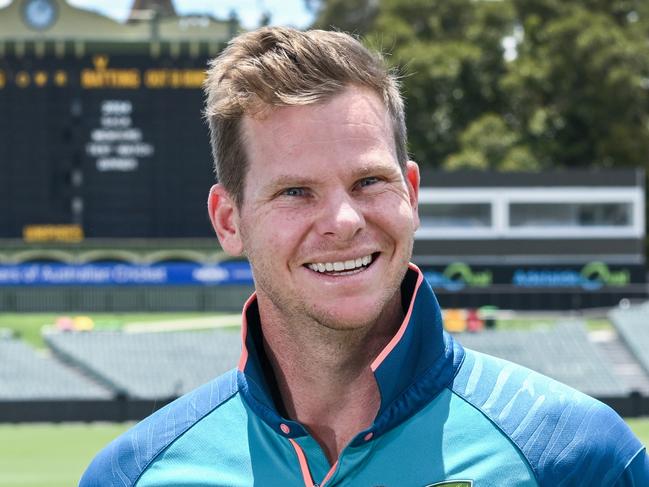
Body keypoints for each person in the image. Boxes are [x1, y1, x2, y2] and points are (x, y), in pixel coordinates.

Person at [80, 27, 648, 486]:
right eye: (295, 192)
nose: (345, 222)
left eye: (369, 181)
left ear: (412, 194)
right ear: (230, 221)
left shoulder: (575, 457)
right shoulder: (133, 476)